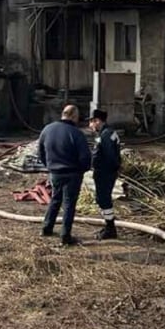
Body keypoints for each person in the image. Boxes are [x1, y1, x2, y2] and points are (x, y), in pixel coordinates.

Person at [38, 104, 92, 246]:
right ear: (74, 116)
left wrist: (49, 166)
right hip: (72, 173)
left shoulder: (47, 129)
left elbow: (41, 152)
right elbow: (85, 156)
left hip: (55, 172)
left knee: (55, 199)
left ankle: (46, 227)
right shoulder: (76, 133)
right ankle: (65, 235)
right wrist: (83, 169)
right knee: (69, 204)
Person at [89, 109, 122, 240]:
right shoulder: (108, 132)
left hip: (105, 172)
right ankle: (108, 225)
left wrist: (104, 168)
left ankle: (110, 228)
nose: (90, 126)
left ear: (97, 121)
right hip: (106, 171)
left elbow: (108, 156)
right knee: (101, 199)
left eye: (91, 122)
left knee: (104, 199)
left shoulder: (106, 135)